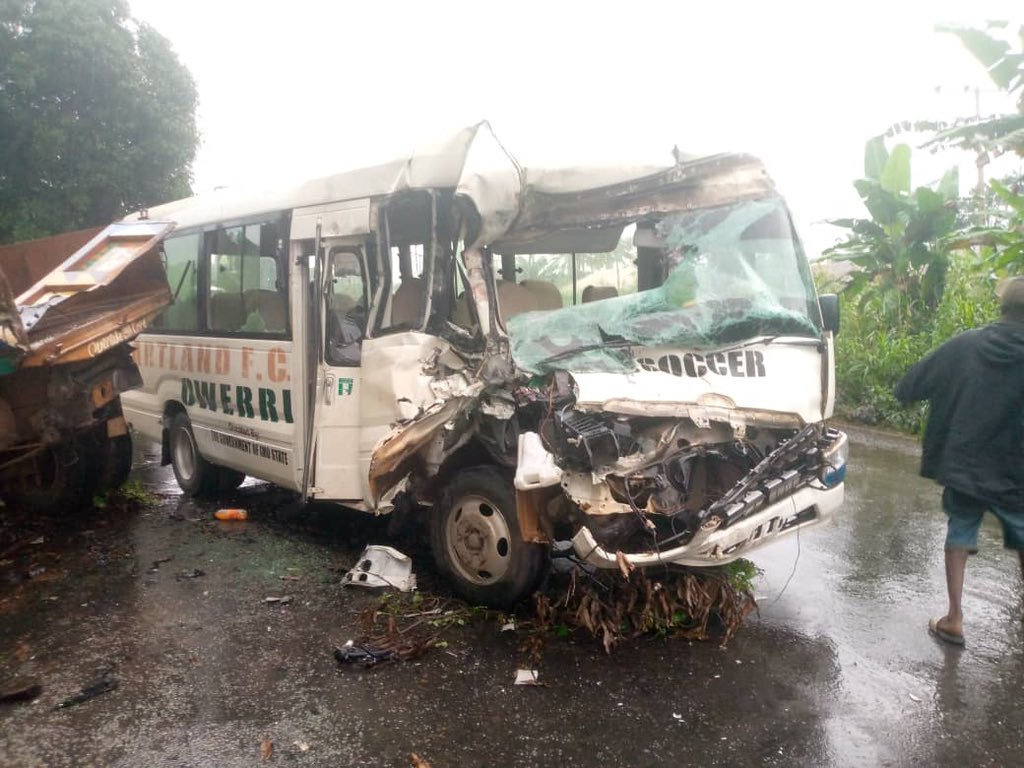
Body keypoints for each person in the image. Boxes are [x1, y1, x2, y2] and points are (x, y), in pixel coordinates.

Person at [894, 276, 1024, 646]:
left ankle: (954, 618)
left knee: (961, 528)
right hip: (1019, 469)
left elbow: (909, 386)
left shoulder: (965, 345)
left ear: (1003, 308)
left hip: (966, 464)